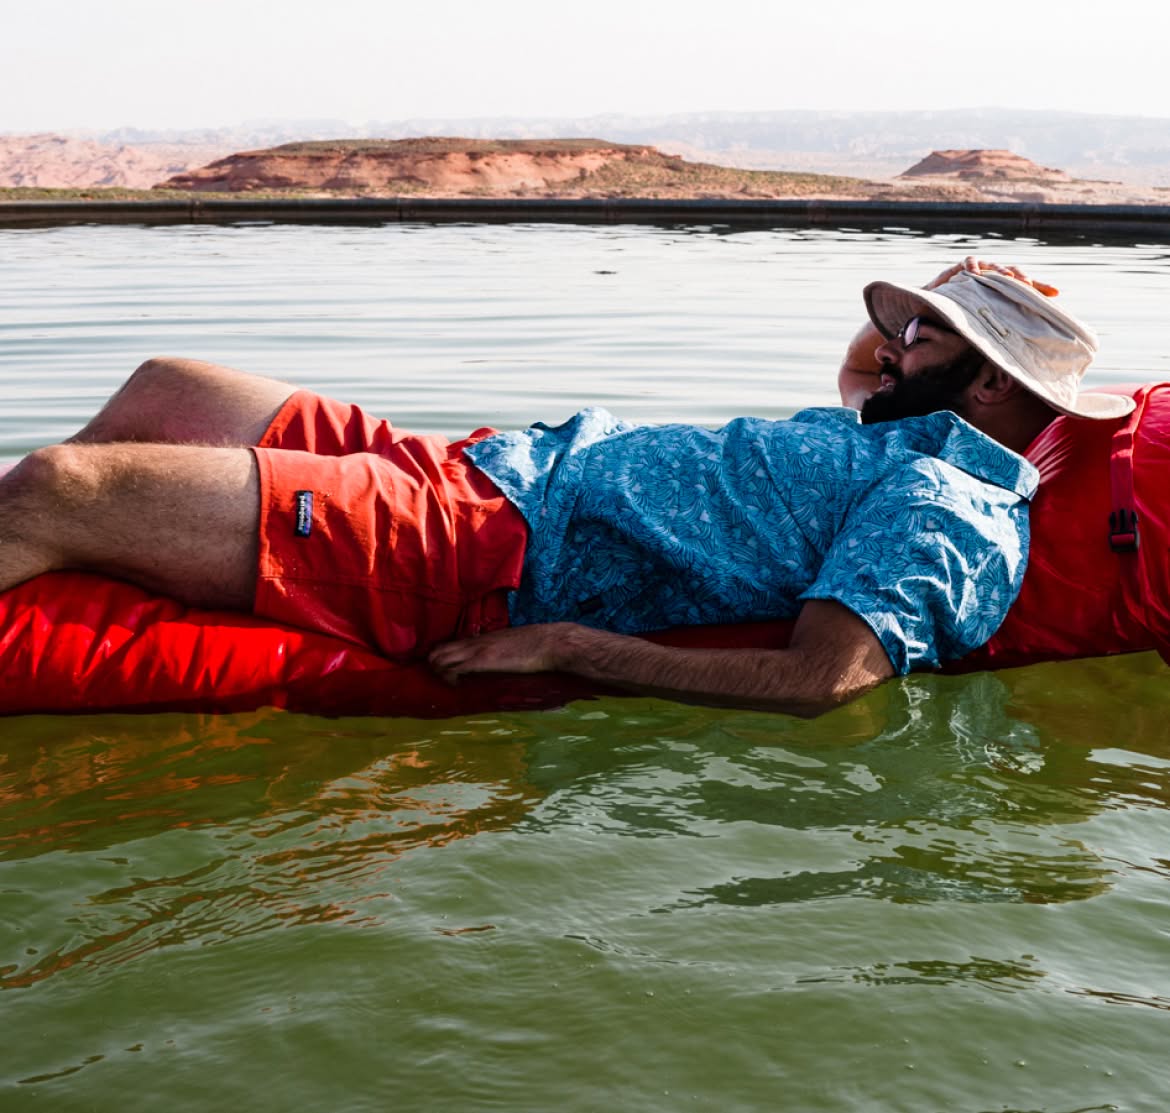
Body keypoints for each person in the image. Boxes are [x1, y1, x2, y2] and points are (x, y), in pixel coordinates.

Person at [0, 260, 1120, 715]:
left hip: (481, 549)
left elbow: (824, 679)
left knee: (61, 487)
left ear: (991, 385)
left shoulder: (948, 510)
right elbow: (861, 366)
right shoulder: (903, 428)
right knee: (166, 383)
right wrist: (942, 307)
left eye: (928, 335)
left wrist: (571, 647)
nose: (894, 343)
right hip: (481, 466)